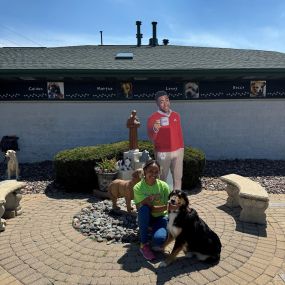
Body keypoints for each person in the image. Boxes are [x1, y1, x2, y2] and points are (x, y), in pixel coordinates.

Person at [133, 160, 173, 260]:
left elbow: (170, 205)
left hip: (161, 217)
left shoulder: (164, 186)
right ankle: (144, 245)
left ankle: (156, 231)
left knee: (159, 240)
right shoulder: (138, 187)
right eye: (151, 171)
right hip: (147, 216)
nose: (154, 174)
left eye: (156, 172)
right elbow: (152, 209)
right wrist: (168, 207)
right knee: (144, 209)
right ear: (145, 171)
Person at [147, 90, 184, 190]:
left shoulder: (176, 115)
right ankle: (162, 200)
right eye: (162, 101)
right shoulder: (152, 118)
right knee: (161, 178)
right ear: (157, 104)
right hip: (163, 152)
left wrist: (181, 149)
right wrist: (155, 128)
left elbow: (179, 133)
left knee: (178, 177)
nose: (165, 103)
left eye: (167, 100)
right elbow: (151, 137)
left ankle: (177, 199)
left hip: (178, 151)